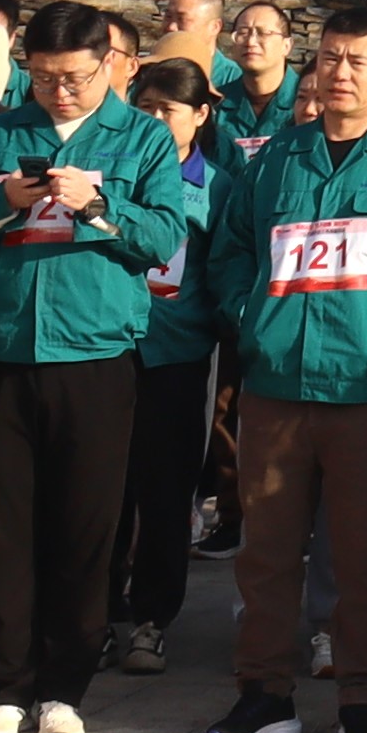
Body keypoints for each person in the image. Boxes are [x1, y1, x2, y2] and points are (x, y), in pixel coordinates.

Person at [0, 1, 196, 733]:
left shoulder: (143, 137)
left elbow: (163, 236)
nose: (59, 92)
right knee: (5, 526)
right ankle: (5, 686)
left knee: (84, 528)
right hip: (7, 352)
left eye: (75, 78)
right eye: (44, 77)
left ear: (108, 64)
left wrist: (99, 205)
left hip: (96, 356)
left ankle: (64, 686)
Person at [204, 25, 367, 733]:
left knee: (365, 557)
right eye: (331, 57)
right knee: (266, 553)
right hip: (277, 384)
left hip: (366, 388)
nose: (341, 72)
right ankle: (263, 693)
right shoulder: (278, 157)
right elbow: (231, 250)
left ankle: (362, 700)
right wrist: (250, 318)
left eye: (358, 60)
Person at [110, 40, 241, 675]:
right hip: (108, 346)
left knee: (165, 491)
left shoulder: (217, 188)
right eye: (146, 108)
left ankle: (151, 619)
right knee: (103, 490)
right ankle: (95, 614)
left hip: (179, 354)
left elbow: (225, 270)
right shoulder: (113, 177)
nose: (157, 121)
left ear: (200, 115)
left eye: (170, 110)